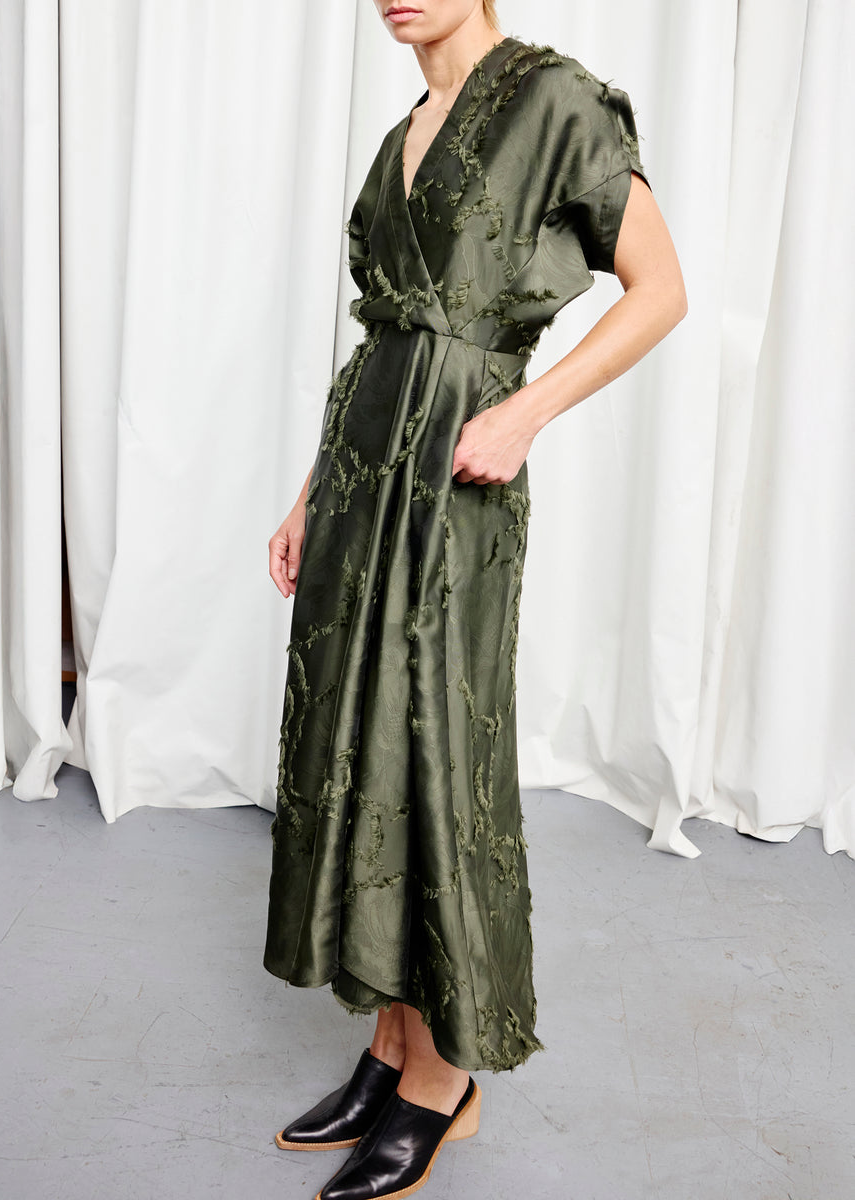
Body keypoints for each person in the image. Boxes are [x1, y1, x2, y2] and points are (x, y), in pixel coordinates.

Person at [265, 2, 686, 1197]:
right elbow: (383, 340)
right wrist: (309, 494)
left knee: (437, 742)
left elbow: (659, 290)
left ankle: (447, 1076)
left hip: (459, 469)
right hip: (362, 472)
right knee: (363, 741)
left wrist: (525, 412)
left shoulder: (553, 98)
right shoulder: (401, 133)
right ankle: (389, 1046)